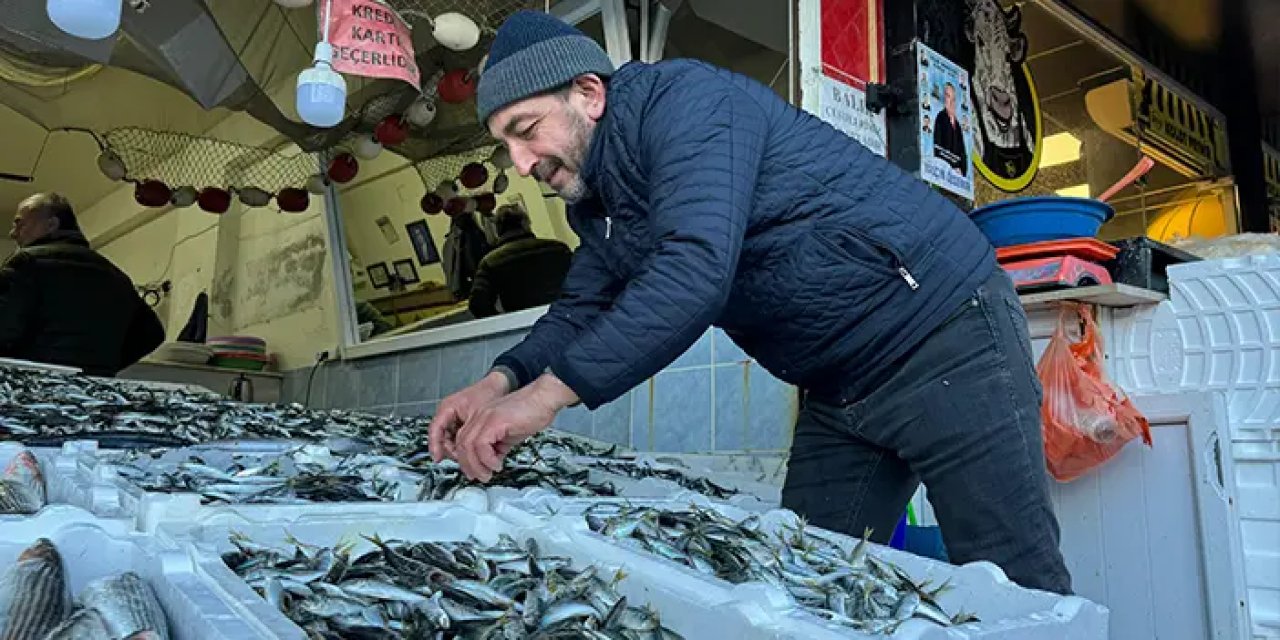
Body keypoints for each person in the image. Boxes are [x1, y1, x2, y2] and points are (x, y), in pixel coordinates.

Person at [427, 10, 1071, 595]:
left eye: (525, 130)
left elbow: (694, 268)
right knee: (806, 587)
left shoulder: (690, 104)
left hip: (942, 334)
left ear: (589, 95)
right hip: (840, 390)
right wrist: (499, 381)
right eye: (504, 144)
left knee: (1016, 588)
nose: (517, 162)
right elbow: (578, 312)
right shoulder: (601, 204)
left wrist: (543, 399)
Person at [0, 193, 164, 376]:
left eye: (20, 224)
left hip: (31, 383)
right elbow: (152, 333)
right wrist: (104, 364)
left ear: (51, 225)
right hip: (91, 390)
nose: (13, 233)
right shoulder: (115, 275)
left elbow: (4, 328)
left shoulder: (26, 263)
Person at [468, 204, 572, 318]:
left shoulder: (490, 262)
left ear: (498, 230)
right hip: (564, 316)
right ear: (525, 224)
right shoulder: (558, 249)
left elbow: (477, 305)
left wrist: (504, 321)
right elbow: (584, 280)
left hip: (522, 322)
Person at [933, 82, 968, 173]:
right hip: (944, 172)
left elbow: (963, 153)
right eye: (948, 96)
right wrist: (949, 168)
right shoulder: (940, 118)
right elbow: (937, 147)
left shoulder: (958, 125)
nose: (952, 101)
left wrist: (962, 170)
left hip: (957, 176)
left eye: (954, 98)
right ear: (944, 98)